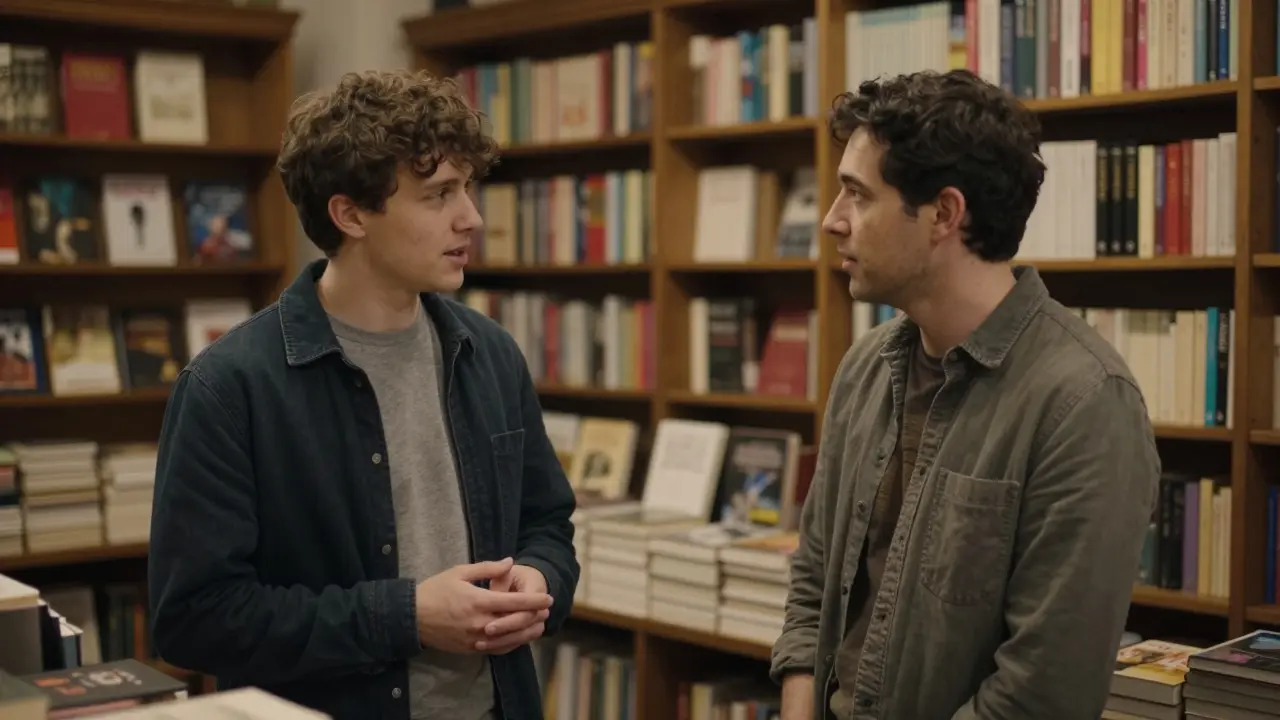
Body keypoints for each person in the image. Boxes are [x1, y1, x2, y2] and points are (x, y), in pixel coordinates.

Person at [147, 69, 579, 720]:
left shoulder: (491, 355)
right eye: (439, 195)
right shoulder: (229, 387)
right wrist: (404, 618)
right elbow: (195, 619)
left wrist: (540, 580)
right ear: (349, 213)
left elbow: (547, 524)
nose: (472, 217)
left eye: (467, 187)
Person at [769, 69, 1160, 719]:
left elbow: (1045, 689)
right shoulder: (864, 368)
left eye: (858, 196)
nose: (833, 222)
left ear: (944, 215)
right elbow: (814, 587)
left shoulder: (1085, 405)